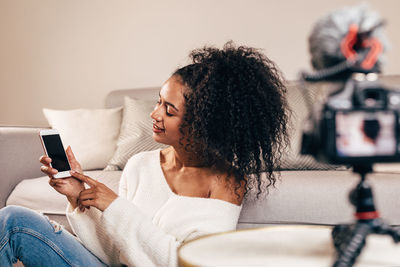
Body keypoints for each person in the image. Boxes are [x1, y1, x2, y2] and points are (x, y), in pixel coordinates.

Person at [0, 42, 290, 266]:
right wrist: (78, 198)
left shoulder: (225, 183)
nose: (154, 114)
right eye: (158, 102)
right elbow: (114, 254)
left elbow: (187, 261)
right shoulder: (142, 165)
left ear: (204, 123)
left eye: (169, 110)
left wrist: (114, 207)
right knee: (13, 219)